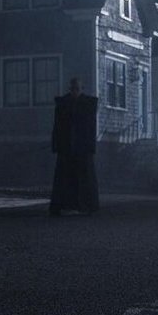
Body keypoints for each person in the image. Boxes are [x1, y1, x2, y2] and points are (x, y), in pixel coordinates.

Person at [50, 77, 99, 216]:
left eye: (77, 88)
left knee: (83, 178)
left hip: (82, 147)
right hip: (66, 147)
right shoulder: (63, 103)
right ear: (70, 89)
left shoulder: (88, 104)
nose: (74, 91)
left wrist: (91, 146)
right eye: (72, 89)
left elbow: (91, 127)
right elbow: (57, 126)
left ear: (81, 89)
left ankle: (84, 205)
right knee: (66, 177)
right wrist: (56, 144)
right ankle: (66, 205)